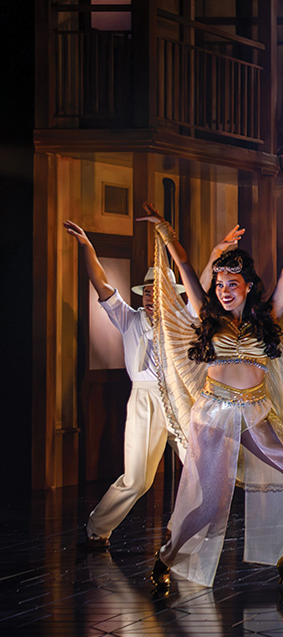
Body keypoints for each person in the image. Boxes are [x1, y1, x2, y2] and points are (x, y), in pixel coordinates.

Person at [145, 191, 283, 595]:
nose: (224, 290)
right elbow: (181, 263)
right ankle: (166, 556)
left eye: (232, 283)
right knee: (211, 506)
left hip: (255, 412)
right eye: (219, 283)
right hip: (213, 414)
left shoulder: (268, 317)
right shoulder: (206, 315)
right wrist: (165, 231)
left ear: (248, 286)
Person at [70, 219, 214, 548]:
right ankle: (97, 528)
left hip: (177, 398)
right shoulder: (129, 318)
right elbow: (102, 283)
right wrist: (88, 248)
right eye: (148, 292)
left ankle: (184, 529)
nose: (151, 298)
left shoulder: (183, 321)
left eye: (158, 293)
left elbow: (200, 284)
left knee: (198, 467)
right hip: (143, 399)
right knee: (136, 480)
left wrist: (216, 254)